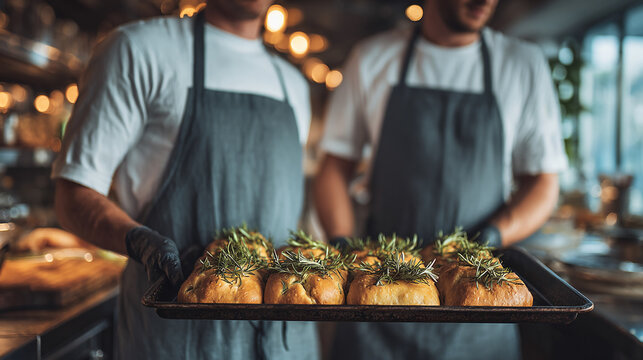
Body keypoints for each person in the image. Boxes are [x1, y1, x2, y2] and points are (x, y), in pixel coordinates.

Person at [52, 0, 318, 359]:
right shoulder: (138, 50)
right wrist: (139, 241)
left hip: (285, 345)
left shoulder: (294, 86)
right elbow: (72, 195)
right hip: (176, 340)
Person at [314, 0, 566, 358]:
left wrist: (491, 237)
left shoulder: (522, 64)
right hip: (380, 303)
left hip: (479, 305)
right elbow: (333, 169)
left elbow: (543, 183)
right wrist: (345, 249)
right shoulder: (372, 57)